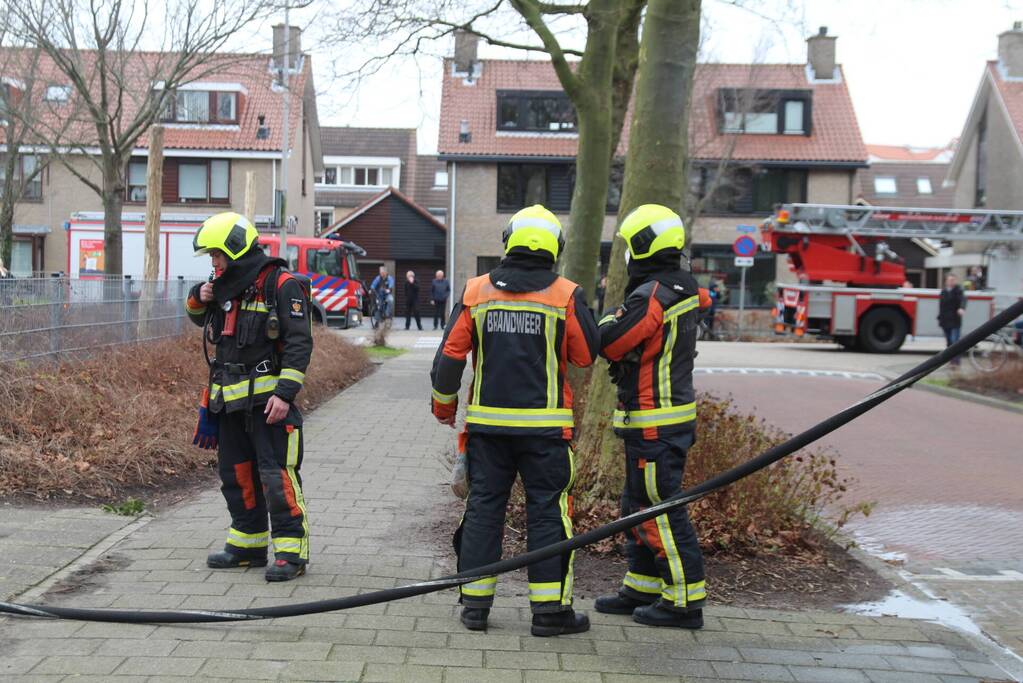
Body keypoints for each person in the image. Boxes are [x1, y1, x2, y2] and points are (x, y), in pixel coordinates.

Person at [430, 204, 599, 637]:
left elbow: (449, 359)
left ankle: (475, 607)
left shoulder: (476, 291)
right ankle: (549, 613)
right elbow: (583, 355)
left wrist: (445, 408)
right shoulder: (566, 294)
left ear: (509, 241)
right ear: (554, 248)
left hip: (488, 431)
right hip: (545, 433)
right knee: (548, 513)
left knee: (484, 509)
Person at [594, 204, 709, 629]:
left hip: (656, 422)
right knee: (636, 504)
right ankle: (642, 584)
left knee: (659, 506)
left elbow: (609, 340)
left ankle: (683, 600)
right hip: (658, 421)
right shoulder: (681, 287)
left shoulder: (655, 296)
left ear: (643, 245)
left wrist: (607, 314)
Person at [185, 212, 313, 582]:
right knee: (236, 475)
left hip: (269, 404)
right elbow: (198, 318)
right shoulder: (223, 285)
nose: (213, 262)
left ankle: (291, 551)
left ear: (236, 249)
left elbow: (299, 343)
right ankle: (248, 544)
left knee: (276, 477)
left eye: (216, 254)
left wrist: (286, 394)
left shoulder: (282, 284)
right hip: (227, 403)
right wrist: (198, 296)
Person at [938, 273, 967, 367]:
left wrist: (961, 308)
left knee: (955, 341)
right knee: (949, 342)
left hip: (955, 320)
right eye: (949, 280)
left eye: (953, 280)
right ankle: (951, 361)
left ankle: (956, 362)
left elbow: (963, 300)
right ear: (946, 281)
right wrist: (940, 318)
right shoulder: (943, 291)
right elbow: (941, 307)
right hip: (945, 321)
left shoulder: (958, 290)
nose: (951, 282)